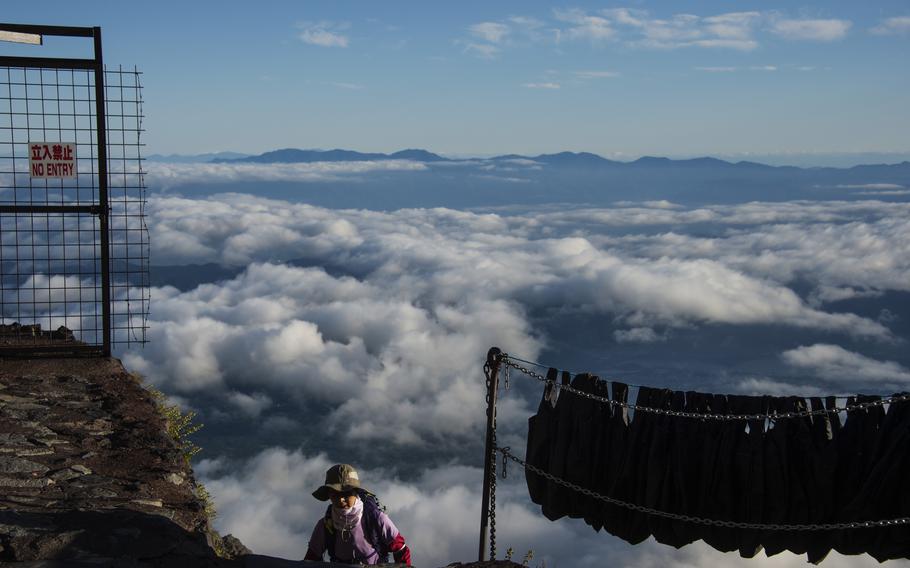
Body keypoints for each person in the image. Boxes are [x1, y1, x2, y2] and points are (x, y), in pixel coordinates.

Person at [304, 463, 412, 565]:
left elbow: (400, 549)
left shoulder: (376, 518)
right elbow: (311, 558)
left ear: (356, 493)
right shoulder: (325, 525)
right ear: (329, 495)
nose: (341, 499)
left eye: (346, 494)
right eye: (335, 494)